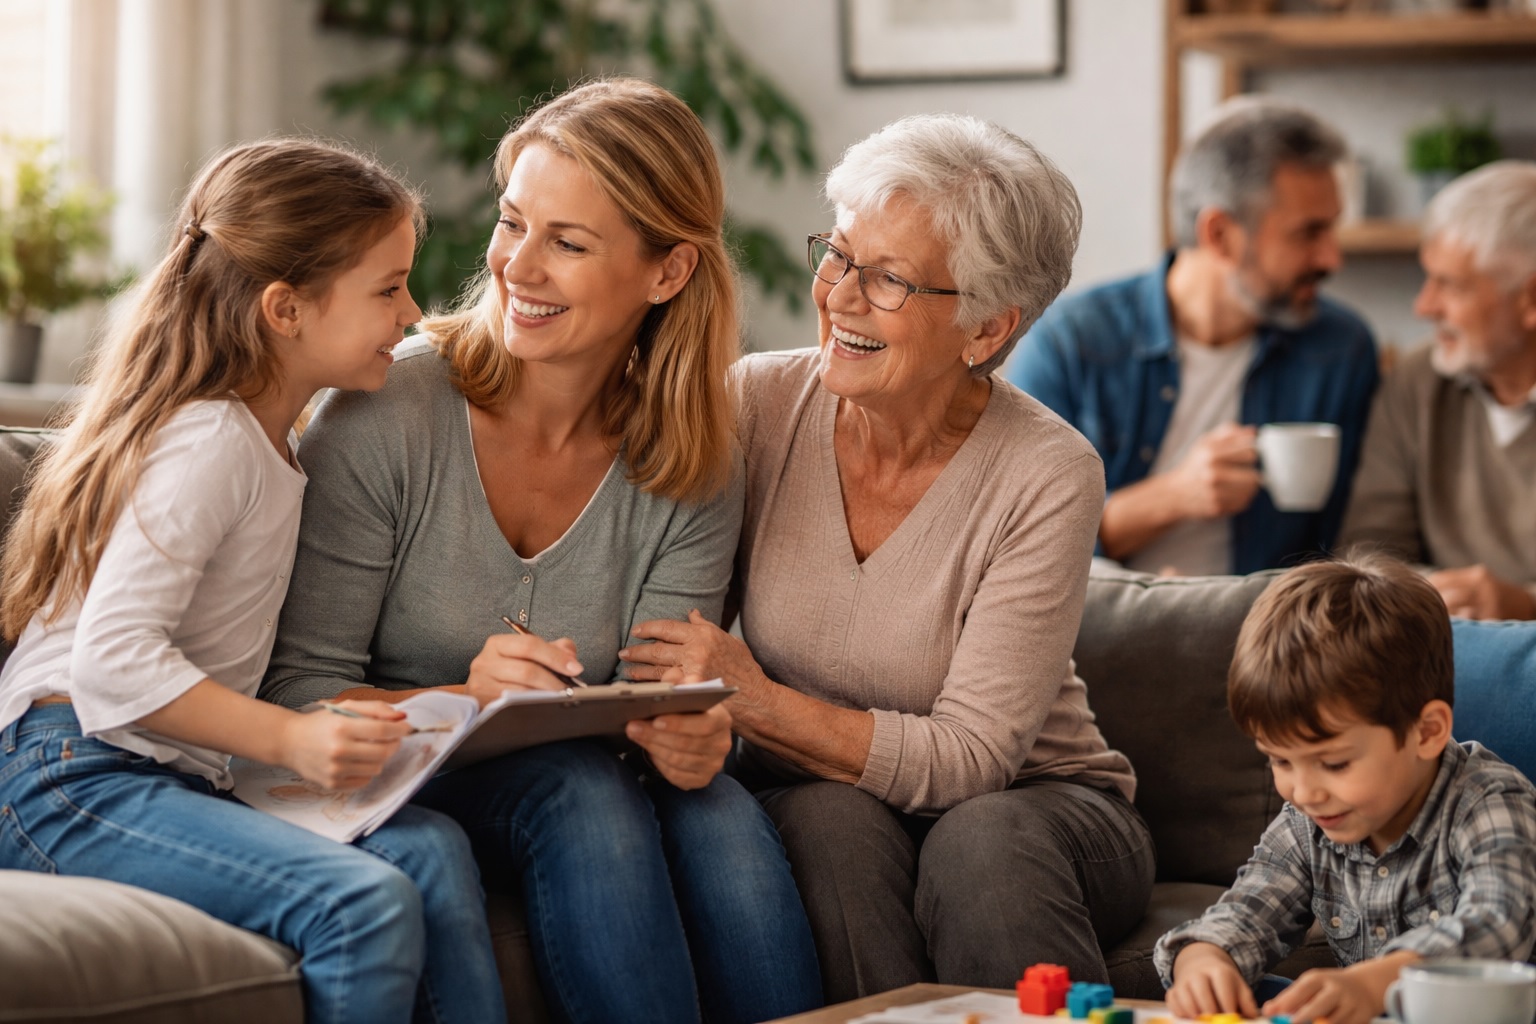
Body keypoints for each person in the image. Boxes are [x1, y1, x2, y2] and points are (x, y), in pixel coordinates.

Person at [259, 79, 820, 1024]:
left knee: (717, 810)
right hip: (380, 771)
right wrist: (464, 701)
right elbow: (291, 691)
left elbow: (654, 692)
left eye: (567, 242)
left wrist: (692, 736)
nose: (518, 266)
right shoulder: (386, 413)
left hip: (567, 769)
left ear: (668, 273)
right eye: (513, 223)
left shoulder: (692, 457)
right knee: (579, 791)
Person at [620, 113, 1153, 1001]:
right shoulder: (758, 403)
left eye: (890, 280)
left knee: (980, 839)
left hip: (1042, 806)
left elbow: (977, 758)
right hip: (828, 798)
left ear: (986, 329)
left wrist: (755, 700)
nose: (839, 295)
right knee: (825, 822)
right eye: (838, 254)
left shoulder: (1048, 471)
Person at [0, 140, 505, 1024]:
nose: (416, 312)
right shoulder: (211, 443)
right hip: (68, 778)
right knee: (362, 905)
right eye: (387, 289)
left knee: (428, 849)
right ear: (286, 309)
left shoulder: (273, 448)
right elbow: (112, 666)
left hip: (156, 776)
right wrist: (294, 741)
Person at [1156, 555, 1536, 1024]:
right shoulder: (1307, 822)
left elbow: (1499, 924)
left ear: (1427, 731)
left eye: (1333, 763)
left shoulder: (1489, 801)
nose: (1304, 791)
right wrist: (1204, 959)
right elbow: (1245, 914)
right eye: (1279, 759)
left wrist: (1380, 981)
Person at [1008, 98, 1379, 576]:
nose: (1332, 258)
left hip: (1267, 636)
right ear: (1220, 234)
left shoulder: (1340, 349)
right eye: (1309, 233)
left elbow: (1343, 544)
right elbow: (1016, 539)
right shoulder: (1073, 341)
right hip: (1099, 628)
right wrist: (1173, 497)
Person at [1340, 161, 1536, 620]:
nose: (1424, 305)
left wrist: (1526, 605)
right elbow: (1370, 551)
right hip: (1442, 654)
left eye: (1449, 285)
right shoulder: (1418, 380)